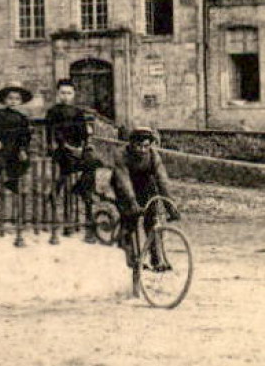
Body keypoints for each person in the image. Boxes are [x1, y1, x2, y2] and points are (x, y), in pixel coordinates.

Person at [108, 126, 178, 271]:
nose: (142, 150)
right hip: (123, 185)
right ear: (131, 144)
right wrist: (132, 202)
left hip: (143, 183)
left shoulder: (153, 156)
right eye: (139, 146)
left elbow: (162, 179)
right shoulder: (121, 154)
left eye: (146, 146)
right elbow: (123, 181)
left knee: (152, 219)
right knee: (130, 219)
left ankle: (157, 258)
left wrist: (170, 205)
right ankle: (132, 258)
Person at [45, 80, 103, 238]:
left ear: (74, 94)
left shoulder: (78, 112)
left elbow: (84, 133)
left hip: (78, 148)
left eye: (69, 93)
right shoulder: (53, 112)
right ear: (58, 94)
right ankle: (67, 220)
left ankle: (82, 188)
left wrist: (83, 146)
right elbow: (53, 133)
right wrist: (68, 147)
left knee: (93, 162)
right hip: (62, 149)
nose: (66, 96)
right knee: (66, 170)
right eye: (62, 93)